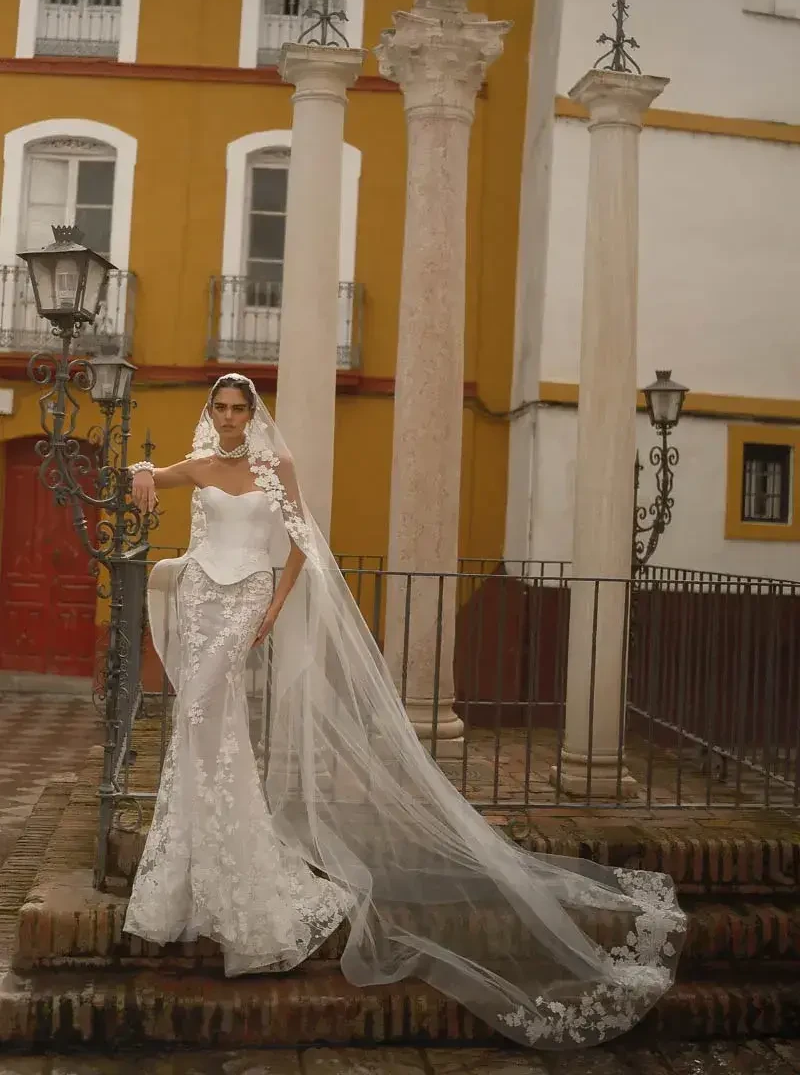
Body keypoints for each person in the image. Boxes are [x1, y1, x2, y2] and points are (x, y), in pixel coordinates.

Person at [124, 372, 686, 1051]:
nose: (231, 417)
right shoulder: (202, 461)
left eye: (240, 408)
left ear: (253, 414)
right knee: (203, 729)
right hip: (201, 595)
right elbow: (150, 471)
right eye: (222, 407)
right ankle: (203, 865)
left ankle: (229, 871)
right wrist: (142, 472)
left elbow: (303, 543)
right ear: (212, 411)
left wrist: (272, 606)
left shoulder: (277, 465)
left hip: (246, 597)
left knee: (201, 715)